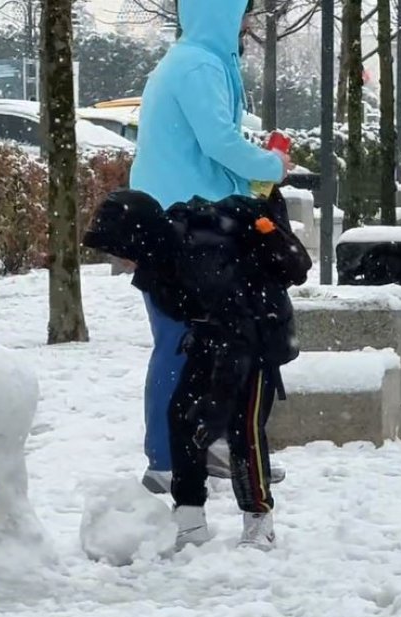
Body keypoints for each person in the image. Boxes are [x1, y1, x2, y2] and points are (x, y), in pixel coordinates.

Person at [85, 187, 310, 550]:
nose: (120, 260)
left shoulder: (199, 255)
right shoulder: (159, 259)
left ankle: (259, 520)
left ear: (137, 239)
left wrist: (218, 404)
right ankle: (189, 520)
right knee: (182, 418)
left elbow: (238, 334)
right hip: (214, 335)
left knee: (243, 430)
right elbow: (199, 316)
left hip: (259, 334)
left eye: (120, 250)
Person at [128, 0, 292, 495]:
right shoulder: (198, 64)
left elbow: (206, 148)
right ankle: (165, 457)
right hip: (180, 229)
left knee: (205, 339)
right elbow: (218, 140)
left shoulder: (199, 60)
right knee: (182, 340)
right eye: (241, 12)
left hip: (185, 222)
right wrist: (270, 166)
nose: (247, 22)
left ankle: (204, 440)